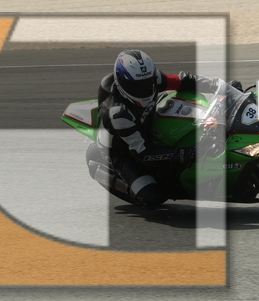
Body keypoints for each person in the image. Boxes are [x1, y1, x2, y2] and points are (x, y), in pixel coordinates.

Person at [94, 49, 219, 209]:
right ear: (122, 82)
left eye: (148, 83)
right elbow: (143, 152)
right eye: (137, 86)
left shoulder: (152, 79)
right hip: (123, 150)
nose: (145, 88)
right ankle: (127, 185)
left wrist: (216, 85)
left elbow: (183, 80)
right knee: (152, 197)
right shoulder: (118, 113)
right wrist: (184, 154)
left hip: (146, 125)